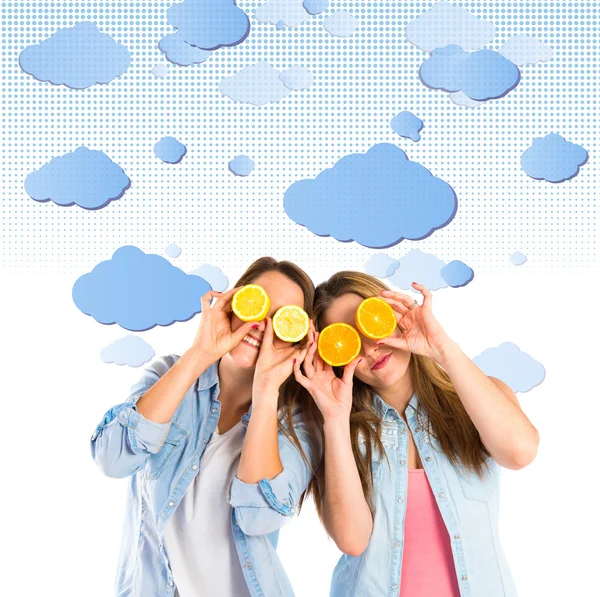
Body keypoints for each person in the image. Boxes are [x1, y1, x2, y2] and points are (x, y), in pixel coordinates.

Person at [292, 271, 539, 597]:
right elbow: (352, 540)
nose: (369, 347)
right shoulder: (335, 430)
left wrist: (441, 348)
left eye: (372, 323)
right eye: (347, 339)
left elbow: (520, 452)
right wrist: (335, 421)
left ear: (395, 316)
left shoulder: (480, 396)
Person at [90, 257, 321, 597]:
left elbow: (258, 520)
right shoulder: (167, 373)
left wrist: (266, 389)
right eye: (256, 305)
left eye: (283, 319)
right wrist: (199, 353)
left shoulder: (298, 424)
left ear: (300, 337)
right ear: (232, 303)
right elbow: (112, 459)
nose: (263, 325)